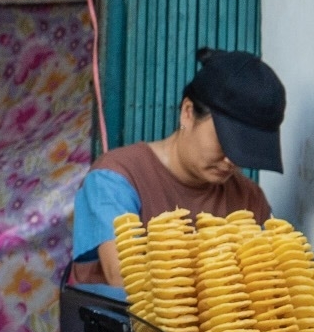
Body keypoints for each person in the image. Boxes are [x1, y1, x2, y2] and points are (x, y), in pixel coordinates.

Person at [72, 48, 284, 286]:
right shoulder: (115, 179)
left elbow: (271, 283)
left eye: (246, 150)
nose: (231, 161)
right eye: (226, 142)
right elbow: (124, 280)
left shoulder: (248, 198)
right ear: (187, 113)